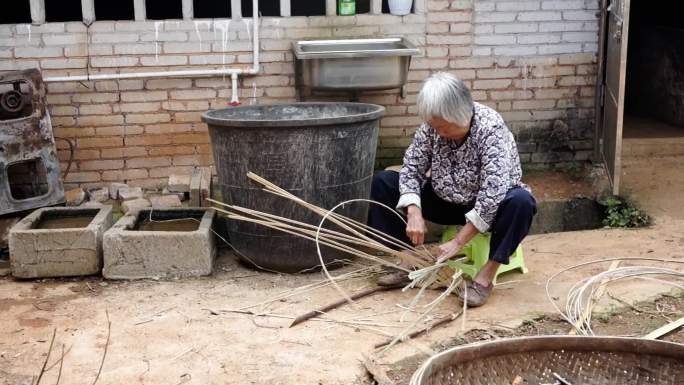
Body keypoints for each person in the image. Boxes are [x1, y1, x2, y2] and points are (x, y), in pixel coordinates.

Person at [367, 72, 537, 307]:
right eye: (435, 127)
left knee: (522, 202)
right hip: (445, 199)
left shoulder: (491, 129)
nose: (439, 133)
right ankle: (406, 260)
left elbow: (492, 195)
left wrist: (459, 242)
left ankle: (485, 276)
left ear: (461, 115)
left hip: (488, 208)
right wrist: (414, 211)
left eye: (444, 128)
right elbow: (412, 167)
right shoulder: (433, 126)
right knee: (384, 181)